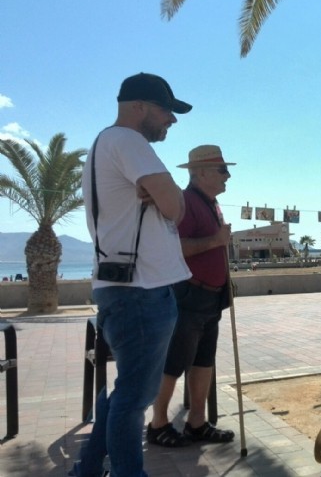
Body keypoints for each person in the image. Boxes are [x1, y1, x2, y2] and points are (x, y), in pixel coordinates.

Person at [72, 73, 193, 477]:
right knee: (133, 398)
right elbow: (177, 208)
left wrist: (162, 192)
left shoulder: (107, 143)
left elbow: (168, 202)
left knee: (127, 389)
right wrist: (167, 191)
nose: (171, 121)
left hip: (127, 288)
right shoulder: (128, 141)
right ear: (139, 106)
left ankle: (87, 470)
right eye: (166, 111)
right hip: (139, 291)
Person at [147, 145, 237, 447]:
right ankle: (158, 423)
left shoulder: (211, 203)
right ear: (199, 172)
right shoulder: (187, 202)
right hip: (189, 296)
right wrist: (216, 240)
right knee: (173, 363)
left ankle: (196, 423)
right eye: (222, 169)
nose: (227, 176)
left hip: (210, 299)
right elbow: (174, 247)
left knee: (203, 361)